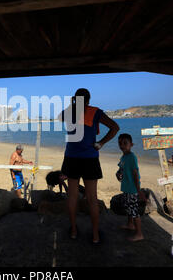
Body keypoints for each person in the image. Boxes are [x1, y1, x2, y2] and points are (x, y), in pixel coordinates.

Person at [58, 88, 119, 244]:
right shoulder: (95, 112)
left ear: (75, 99)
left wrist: (73, 104)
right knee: (92, 199)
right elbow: (115, 127)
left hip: (71, 157)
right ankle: (95, 235)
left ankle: (73, 230)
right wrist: (101, 143)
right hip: (89, 158)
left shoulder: (69, 112)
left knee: (72, 197)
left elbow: (60, 117)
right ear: (89, 100)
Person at [117, 133, 146, 242]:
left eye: (125, 143)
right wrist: (118, 173)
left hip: (132, 189)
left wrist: (139, 191)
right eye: (120, 143)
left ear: (131, 144)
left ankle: (139, 233)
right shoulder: (124, 156)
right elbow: (121, 168)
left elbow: (135, 173)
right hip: (126, 187)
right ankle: (130, 224)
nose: (122, 145)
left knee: (134, 211)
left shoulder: (132, 157)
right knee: (129, 207)